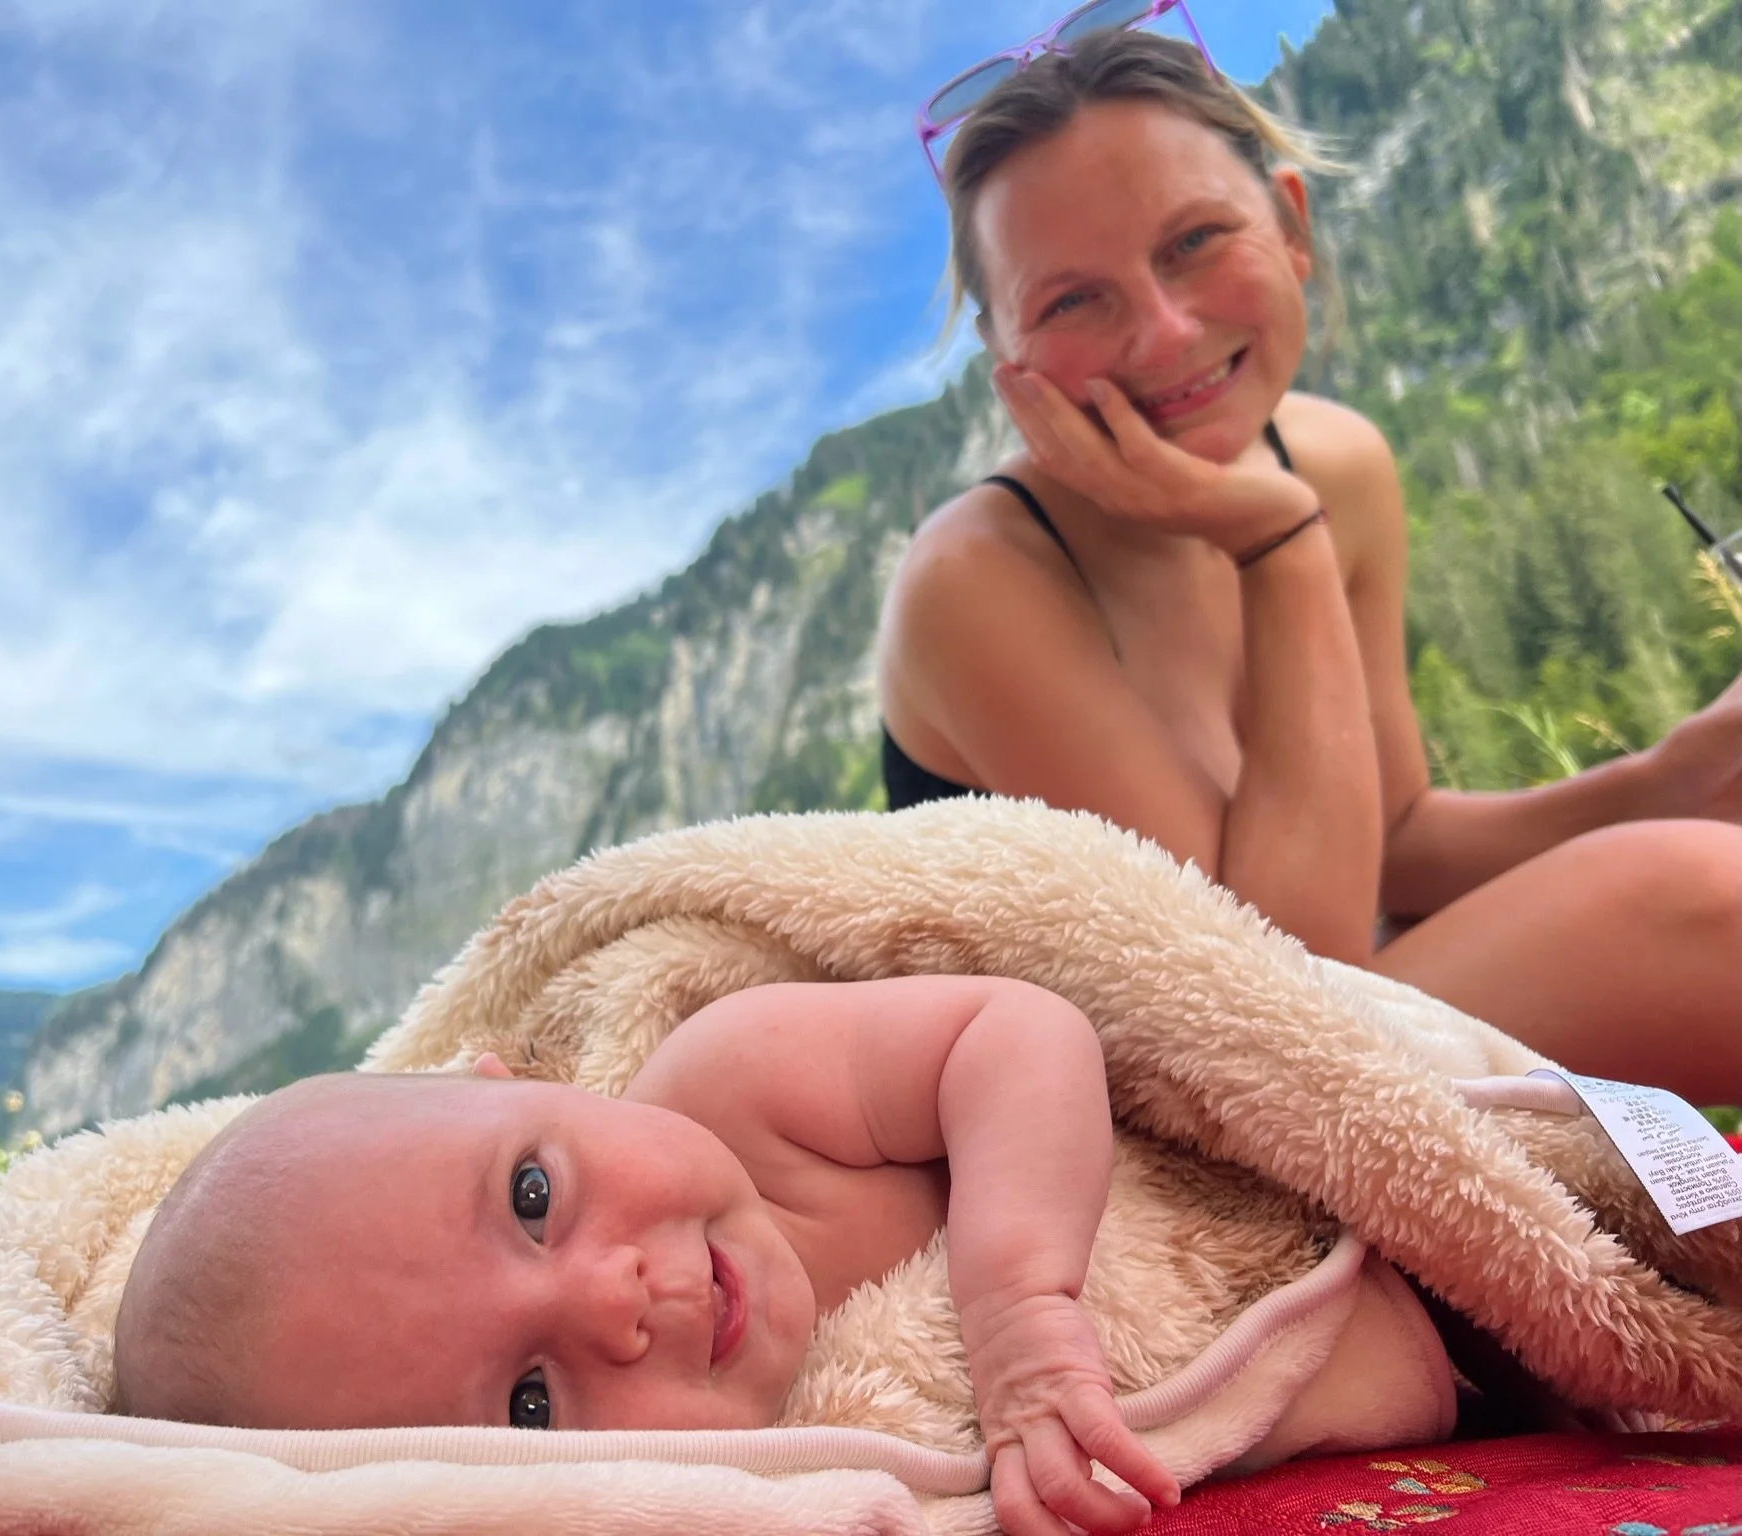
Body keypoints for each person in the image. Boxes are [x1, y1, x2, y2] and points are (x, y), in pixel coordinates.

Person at [877, 25, 1741, 1104]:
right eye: (1070, 299)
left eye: (1194, 240)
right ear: (1008, 360)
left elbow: (1392, 841)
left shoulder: (1337, 461)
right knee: (1694, 898)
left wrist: (1674, 774)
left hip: (1323, 1035)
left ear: (1290, 224)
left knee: (1697, 849)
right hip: (1142, 1109)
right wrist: (1277, 544)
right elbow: (1282, 992)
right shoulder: (978, 582)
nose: (1162, 331)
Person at [113, 975, 1188, 1536]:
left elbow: (1011, 1033)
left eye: (532, 1199)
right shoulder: (730, 1488)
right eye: (531, 1405)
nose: (611, 1300)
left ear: (519, 1084)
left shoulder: (738, 1086)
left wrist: (1017, 1305)